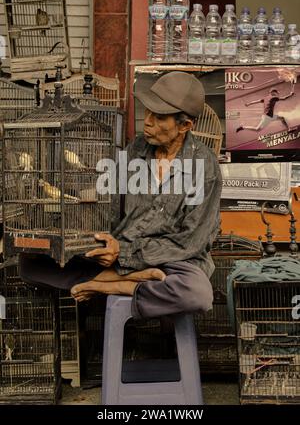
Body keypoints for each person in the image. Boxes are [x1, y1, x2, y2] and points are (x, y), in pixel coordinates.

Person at [20, 72, 222, 319]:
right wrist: (91, 237)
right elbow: (110, 204)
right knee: (29, 263)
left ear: (185, 126)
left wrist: (125, 253)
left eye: (159, 118)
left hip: (171, 259)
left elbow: (190, 241)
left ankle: (107, 285)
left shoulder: (204, 166)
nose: (147, 122)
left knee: (196, 294)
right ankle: (124, 279)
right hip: (120, 252)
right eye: (147, 112)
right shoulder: (136, 149)